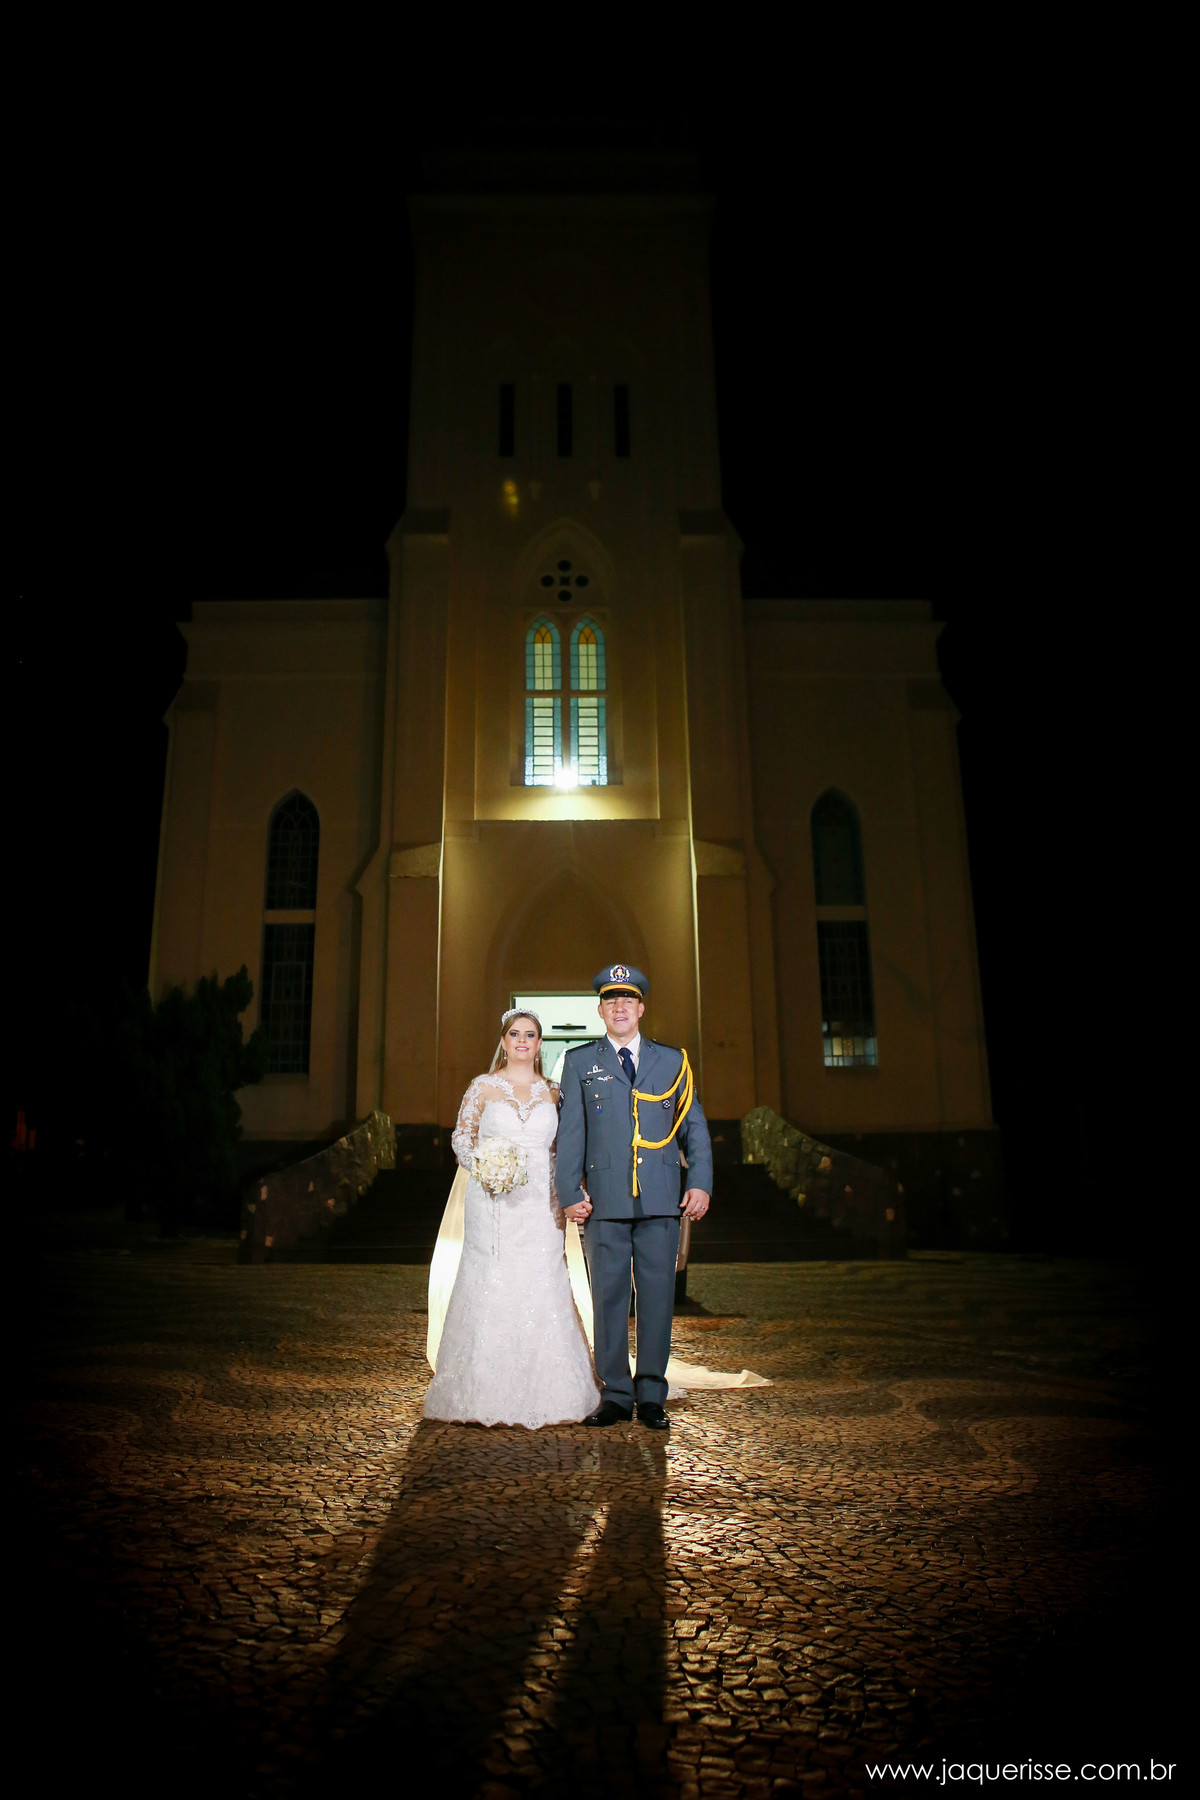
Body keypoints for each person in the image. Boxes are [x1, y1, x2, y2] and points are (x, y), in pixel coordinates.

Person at [422, 1009, 601, 1429]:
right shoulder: (482, 1088)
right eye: (515, 1034)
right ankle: (477, 1388)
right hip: (493, 1203)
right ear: (503, 1041)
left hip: (542, 1205)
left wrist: (568, 1195)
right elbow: (461, 1137)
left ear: (540, 1045)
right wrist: (483, 1165)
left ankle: (554, 1388)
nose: (523, 1041)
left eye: (531, 1035)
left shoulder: (555, 1093)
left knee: (544, 1280)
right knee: (489, 1278)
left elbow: (563, 1150)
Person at [555, 964, 713, 1431]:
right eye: (610, 1001)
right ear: (600, 1010)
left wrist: (700, 1181)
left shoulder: (673, 1061)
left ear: (641, 1008)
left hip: (662, 1199)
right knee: (608, 1298)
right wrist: (569, 1190)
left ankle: (651, 1396)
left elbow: (695, 1130)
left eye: (628, 1000)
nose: (619, 1007)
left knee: (659, 1298)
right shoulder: (580, 1062)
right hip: (602, 1200)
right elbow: (571, 1134)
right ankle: (617, 1394)